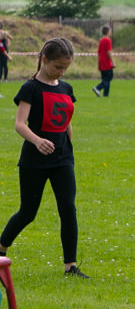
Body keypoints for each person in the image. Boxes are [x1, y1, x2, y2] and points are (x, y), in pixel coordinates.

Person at [0, 38, 87, 279]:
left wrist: (69, 141)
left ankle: (70, 265)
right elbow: (19, 124)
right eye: (58, 66)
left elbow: (66, 119)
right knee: (28, 212)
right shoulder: (30, 88)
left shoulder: (66, 88)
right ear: (44, 60)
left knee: (68, 209)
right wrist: (37, 140)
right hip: (34, 160)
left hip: (62, 159)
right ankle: (0, 249)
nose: (62, 71)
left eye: (66, 68)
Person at [92, 26, 115, 97]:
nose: (111, 32)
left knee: (105, 78)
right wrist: (113, 62)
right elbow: (108, 52)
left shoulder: (101, 40)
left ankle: (106, 95)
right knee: (109, 77)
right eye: (110, 31)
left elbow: (99, 51)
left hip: (101, 61)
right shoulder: (107, 40)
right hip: (106, 62)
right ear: (108, 32)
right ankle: (97, 88)